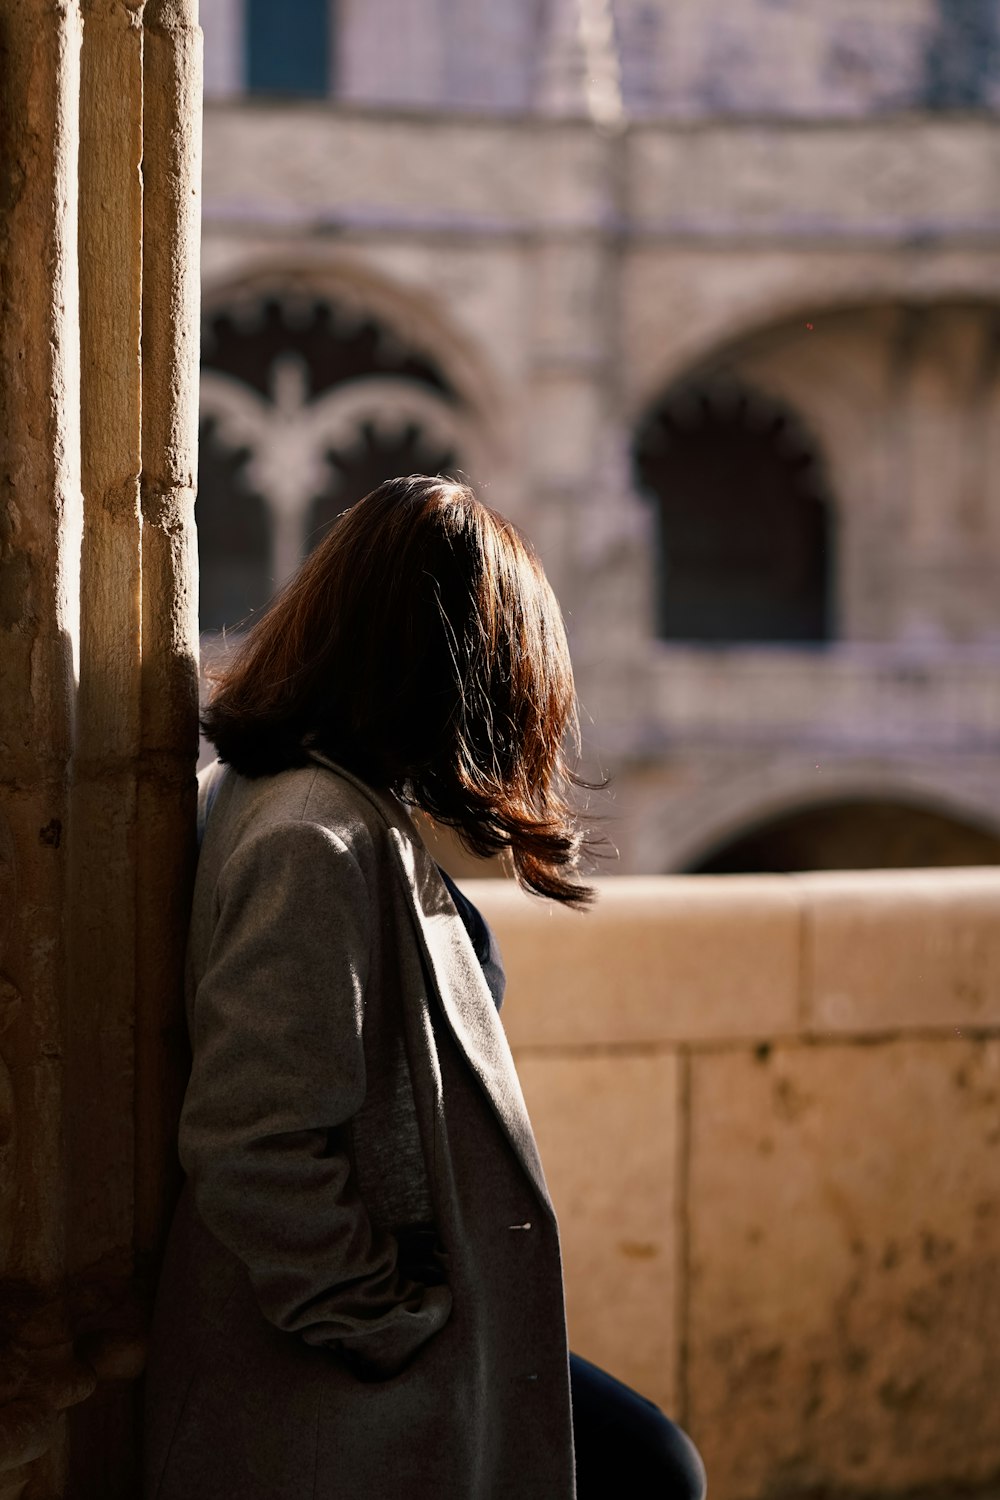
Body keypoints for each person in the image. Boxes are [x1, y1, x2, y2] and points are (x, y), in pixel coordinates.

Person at [144, 475, 706, 1500]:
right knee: (653, 1470)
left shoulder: (297, 798)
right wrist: (387, 1324)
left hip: (388, 1341)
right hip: (349, 1374)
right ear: (456, 669)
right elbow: (252, 1141)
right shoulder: (313, 836)